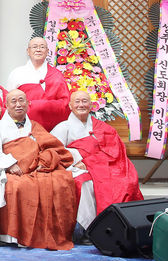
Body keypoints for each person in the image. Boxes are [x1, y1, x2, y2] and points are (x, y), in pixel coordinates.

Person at [0, 89, 77, 250]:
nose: (18, 104)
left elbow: (51, 147)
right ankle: (17, 235)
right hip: (13, 168)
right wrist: (9, 164)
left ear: (28, 104)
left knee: (62, 181)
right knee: (18, 186)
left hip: (38, 167)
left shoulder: (35, 126)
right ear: (6, 106)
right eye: (13, 101)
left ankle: (52, 233)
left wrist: (45, 161)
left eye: (21, 100)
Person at [51, 90, 143, 241]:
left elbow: (115, 151)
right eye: (77, 102)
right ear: (70, 105)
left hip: (100, 165)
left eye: (84, 101)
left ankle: (120, 227)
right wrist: (77, 159)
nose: (81, 105)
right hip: (73, 167)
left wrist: (90, 162)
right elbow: (54, 150)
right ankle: (87, 229)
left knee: (125, 181)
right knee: (85, 182)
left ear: (91, 105)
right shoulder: (63, 127)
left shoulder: (102, 127)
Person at [5, 37, 70, 131]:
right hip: (24, 128)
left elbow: (65, 104)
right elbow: (9, 102)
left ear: (47, 51)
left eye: (42, 47)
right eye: (34, 47)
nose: (38, 50)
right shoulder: (17, 73)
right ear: (28, 51)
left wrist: (41, 105)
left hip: (54, 129)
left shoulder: (57, 75)